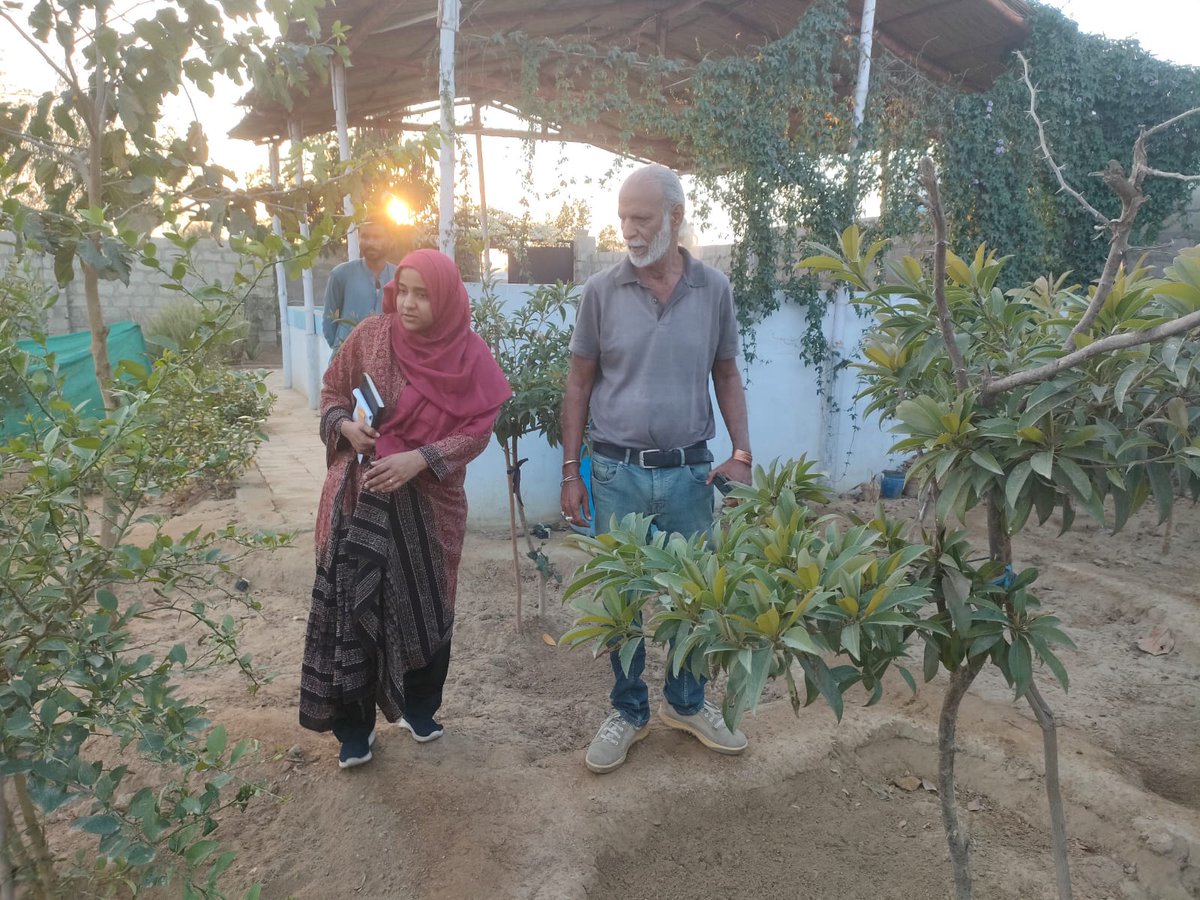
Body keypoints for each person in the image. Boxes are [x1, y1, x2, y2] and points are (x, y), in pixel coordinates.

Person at [561, 164, 755, 774]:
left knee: (693, 596)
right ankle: (628, 710)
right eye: (623, 218)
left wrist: (742, 454)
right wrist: (572, 470)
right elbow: (578, 382)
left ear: (675, 217)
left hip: (691, 473)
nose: (630, 230)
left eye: (642, 218)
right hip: (617, 472)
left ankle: (686, 701)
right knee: (622, 600)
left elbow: (726, 374)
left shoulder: (713, 290)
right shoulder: (601, 291)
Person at [300, 248, 511, 769]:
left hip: (432, 506)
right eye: (405, 290)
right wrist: (347, 427)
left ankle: (421, 708)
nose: (410, 303)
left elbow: (478, 429)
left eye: (423, 294)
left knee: (429, 604)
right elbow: (332, 391)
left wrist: (421, 459)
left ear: (444, 299)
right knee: (355, 603)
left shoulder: (469, 354)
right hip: (362, 493)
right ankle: (353, 730)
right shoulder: (371, 334)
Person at [322, 220, 396, 350]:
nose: (370, 243)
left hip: (385, 361)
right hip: (347, 361)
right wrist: (341, 353)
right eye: (364, 236)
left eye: (377, 237)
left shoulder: (399, 277)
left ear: (390, 240)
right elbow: (329, 319)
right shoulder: (341, 274)